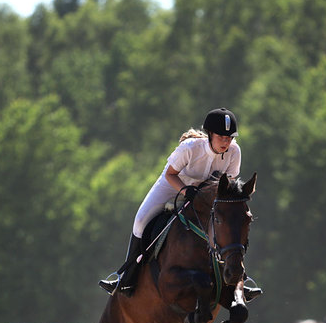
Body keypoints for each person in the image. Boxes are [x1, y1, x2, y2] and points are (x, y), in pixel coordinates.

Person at [99, 107, 261, 300]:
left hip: (206, 193)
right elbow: (170, 174)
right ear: (210, 134)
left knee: (228, 223)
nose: (226, 142)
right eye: (221, 137)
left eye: (230, 137)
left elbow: (228, 187)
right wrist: (185, 190)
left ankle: (239, 278)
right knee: (141, 220)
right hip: (174, 184)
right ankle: (126, 277)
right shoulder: (190, 148)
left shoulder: (235, 151)